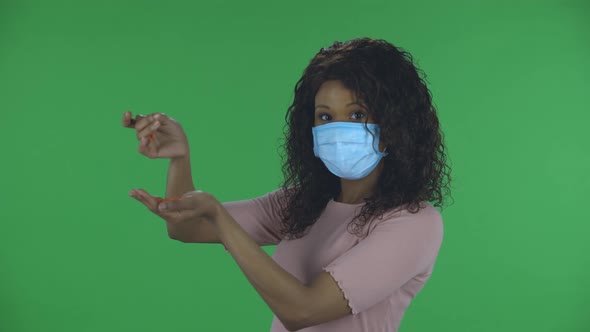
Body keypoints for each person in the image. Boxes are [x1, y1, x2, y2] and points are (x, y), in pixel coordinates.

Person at [122, 37, 452, 332]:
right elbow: (188, 228)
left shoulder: (413, 223)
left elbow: (302, 311)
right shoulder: (302, 204)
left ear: (396, 122)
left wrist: (220, 216)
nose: (338, 129)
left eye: (357, 115)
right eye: (325, 116)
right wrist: (180, 158)